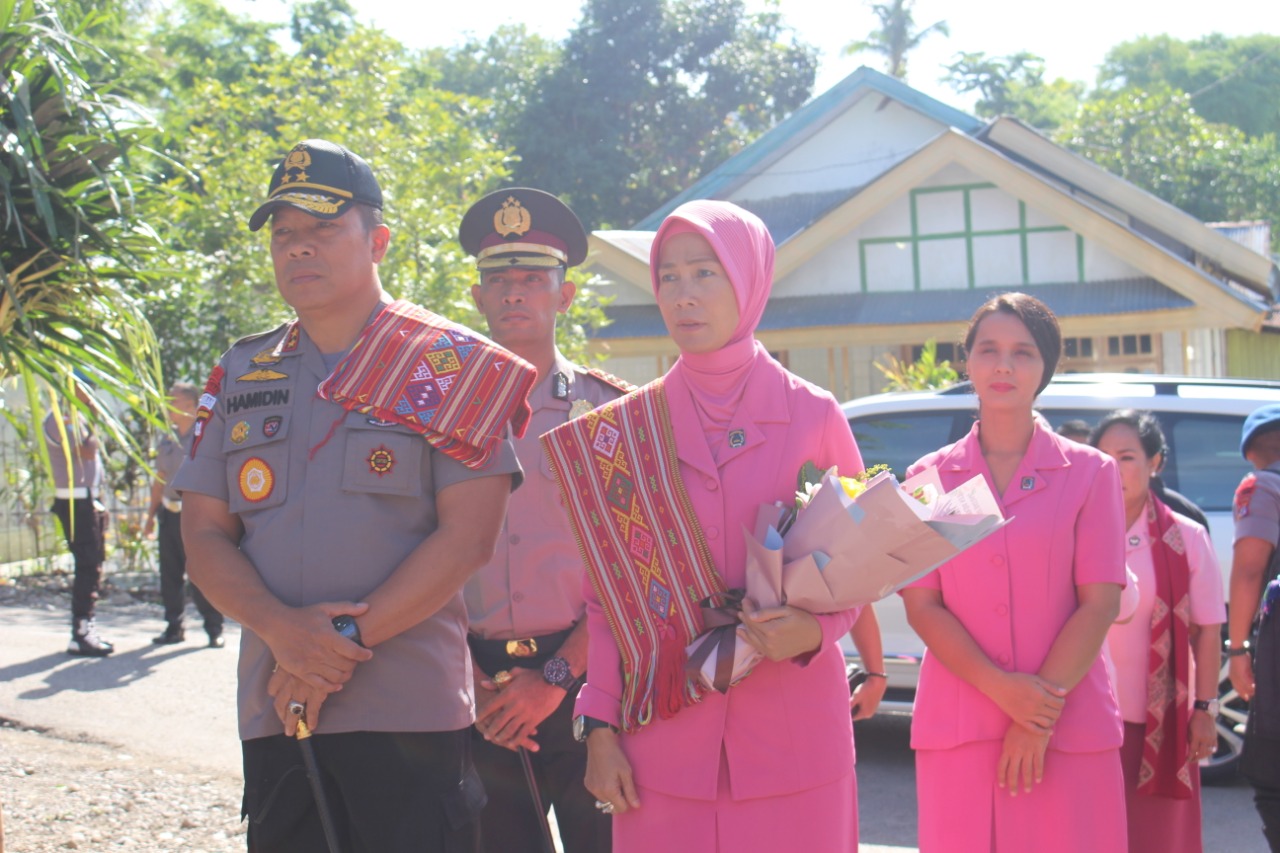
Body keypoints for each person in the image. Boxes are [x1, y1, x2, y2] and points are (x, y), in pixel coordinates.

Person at [175, 139, 535, 853]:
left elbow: (468, 538)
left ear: (378, 241)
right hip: (278, 709)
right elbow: (205, 535)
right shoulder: (243, 373)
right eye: (284, 235)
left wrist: (335, 646)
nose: (299, 249)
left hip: (410, 717)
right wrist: (283, 631)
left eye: (322, 229)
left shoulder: (450, 365)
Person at [543, 199, 878, 852]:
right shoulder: (622, 433)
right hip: (661, 743)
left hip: (795, 743)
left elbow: (862, 561)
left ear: (748, 280)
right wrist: (599, 726)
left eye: (705, 273)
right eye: (669, 275)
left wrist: (815, 628)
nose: (683, 295)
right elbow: (609, 601)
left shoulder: (814, 414)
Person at [900, 292, 1127, 853]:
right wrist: (1002, 690)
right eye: (989, 350)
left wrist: (1036, 714)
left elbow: (1099, 602)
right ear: (968, 362)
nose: (1004, 365)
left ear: (1045, 366)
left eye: (1023, 352)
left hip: (1067, 725)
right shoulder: (932, 477)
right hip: (961, 726)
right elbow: (924, 604)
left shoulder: (1089, 473)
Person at [459, 187, 627, 853]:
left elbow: (630, 572)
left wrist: (555, 680)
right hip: (478, 689)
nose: (514, 294)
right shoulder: (438, 415)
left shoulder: (606, 414)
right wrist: (465, 679)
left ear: (566, 296)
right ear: (476, 297)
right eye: (499, 280)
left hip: (587, 683)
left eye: (533, 279)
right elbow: (420, 550)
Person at [1091, 409, 1225, 853]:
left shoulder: (1185, 537)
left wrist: (1205, 708)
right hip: (1087, 716)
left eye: (1126, 456)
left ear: (1155, 463)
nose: (1113, 467)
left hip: (1162, 721)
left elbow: (1207, 630)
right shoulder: (1075, 531)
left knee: (1158, 838)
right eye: (1102, 456)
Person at [1228, 403, 1280, 852]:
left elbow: (1248, 570)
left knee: (1272, 779)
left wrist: (1238, 648)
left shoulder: (1261, 486)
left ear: (1252, 454)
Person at [143, 382, 225, 648]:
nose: (167, 407)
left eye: (173, 401)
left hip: (195, 515)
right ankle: (173, 627)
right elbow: (159, 480)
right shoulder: (167, 438)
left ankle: (214, 628)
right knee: (170, 575)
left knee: (200, 573)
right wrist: (149, 518)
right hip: (169, 513)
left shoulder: (204, 436)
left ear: (191, 404)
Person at [45, 381, 113, 657]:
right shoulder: (58, 418)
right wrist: (96, 420)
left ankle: (86, 626)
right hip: (75, 500)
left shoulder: (77, 417)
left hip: (88, 499)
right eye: (83, 386)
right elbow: (88, 450)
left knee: (93, 564)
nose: (89, 392)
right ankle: (81, 631)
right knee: (87, 565)